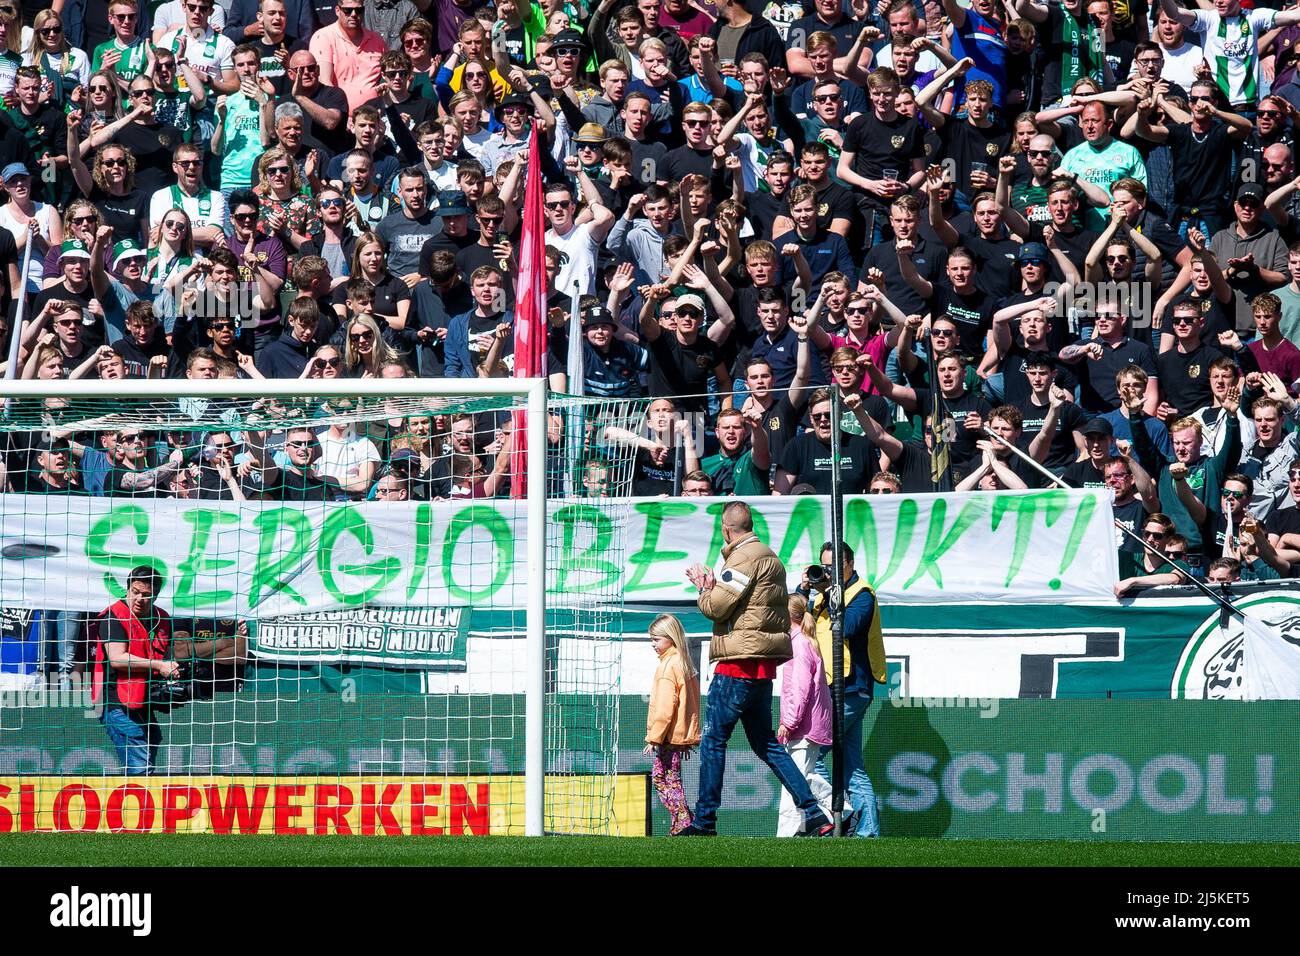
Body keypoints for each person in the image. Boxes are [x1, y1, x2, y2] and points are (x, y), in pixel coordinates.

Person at [680, 501, 832, 837]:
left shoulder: (743, 558)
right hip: (762, 668)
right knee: (767, 745)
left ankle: (705, 821)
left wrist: (705, 586)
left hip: (736, 666)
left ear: (726, 528)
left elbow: (717, 608)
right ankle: (815, 813)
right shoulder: (772, 558)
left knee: (714, 741)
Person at [805, 539, 886, 837]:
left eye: (833, 566)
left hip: (852, 687)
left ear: (849, 564)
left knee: (813, 755)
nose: (828, 572)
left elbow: (847, 628)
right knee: (853, 767)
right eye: (824, 566)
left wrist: (827, 594)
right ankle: (868, 833)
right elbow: (796, 621)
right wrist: (805, 590)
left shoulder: (862, 593)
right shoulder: (819, 596)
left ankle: (844, 812)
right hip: (830, 685)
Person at [91, 564, 180, 775]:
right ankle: (137, 803)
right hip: (114, 701)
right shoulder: (113, 616)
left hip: (143, 699)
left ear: (156, 596)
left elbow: (167, 653)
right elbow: (117, 659)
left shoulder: (162, 618)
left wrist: (173, 667)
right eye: (135, 592)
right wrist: (159, 665)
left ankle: (140, 801)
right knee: (139, 761)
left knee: (153, 739)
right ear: (128, 589)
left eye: (147, 595)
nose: (140, 598)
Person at [775, 592, 832, 838]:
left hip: (803, 726)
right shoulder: (803, 641)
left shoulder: (798, 644)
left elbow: (800, 688)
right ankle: (842, 809)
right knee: (803, 776)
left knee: (792, 784)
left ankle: (786, 837)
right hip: (809, 725)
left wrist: (789, 721)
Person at [643, 612, 701, 837]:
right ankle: (681, 822)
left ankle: (684, 821)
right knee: (669, 778)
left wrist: (655, 737)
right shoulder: (682, 662)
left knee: (663, 778)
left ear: (670, 637)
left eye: (656, 639)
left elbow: (666, 708)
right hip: (676, 735)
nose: (653, 644)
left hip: (668, 736)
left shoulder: (669, 665)